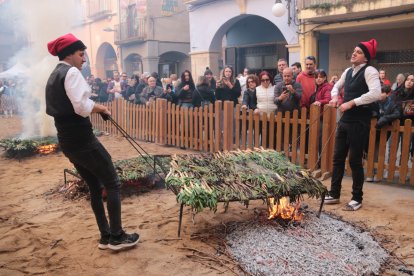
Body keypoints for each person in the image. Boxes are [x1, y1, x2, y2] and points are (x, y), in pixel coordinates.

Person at [45, 33, 139, 251]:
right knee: (113, 183)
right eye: (81, 54)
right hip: (82, 139)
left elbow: (70, 105)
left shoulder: (54, 74)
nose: (84, 58)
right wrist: (102, 108)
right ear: (69, 54)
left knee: (95, 187)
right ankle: (117, 237)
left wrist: (95, 107)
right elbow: (81, 106)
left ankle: (105, 237)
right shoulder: (71, 72)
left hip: (67, 140)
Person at [325, 39, 382, 211]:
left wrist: (351, 103)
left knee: (355, 161)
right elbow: (335, 87)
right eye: (354, 50)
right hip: (344, 121)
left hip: (359, 121)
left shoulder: (370, 70)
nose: (354, 53)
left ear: (366, 58)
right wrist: (335, 97)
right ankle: (334, 193)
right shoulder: (348, 71)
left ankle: (357, 198)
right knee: (337, 159)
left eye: (358, 52)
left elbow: (376, 94)